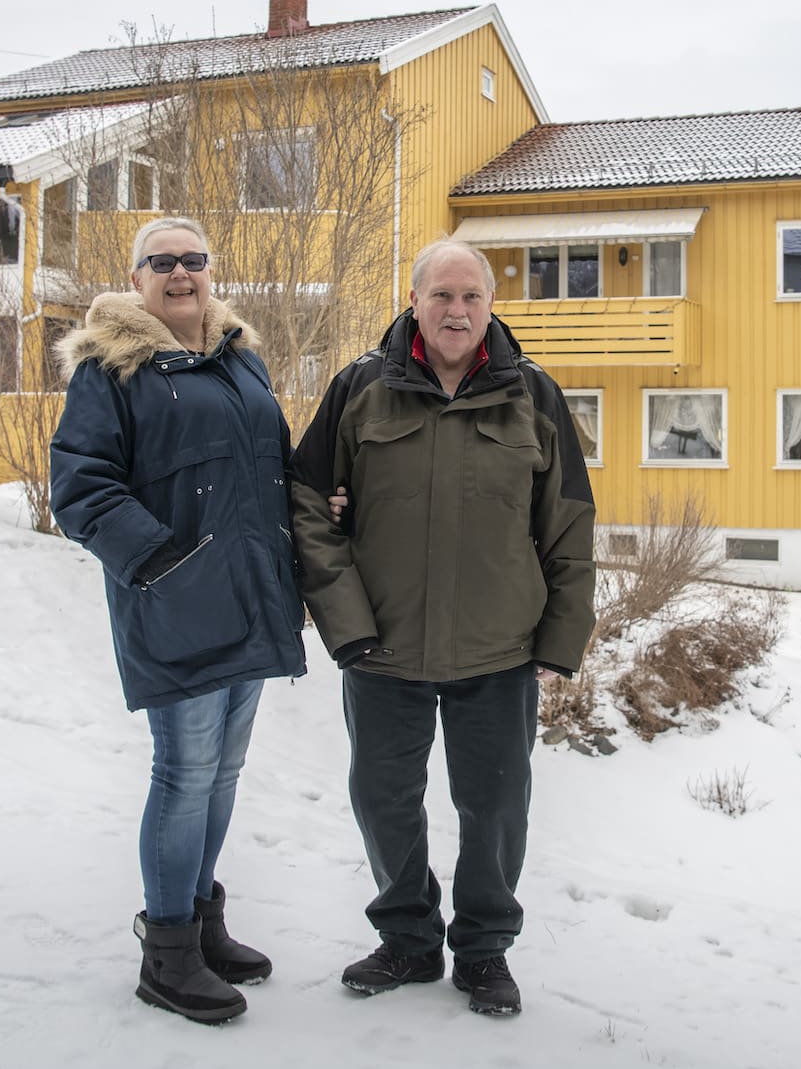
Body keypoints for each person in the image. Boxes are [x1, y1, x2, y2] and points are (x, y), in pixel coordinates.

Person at [288, 237, 597, 1017]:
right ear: (415, 299)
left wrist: (560, 642)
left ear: (490, 305)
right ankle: (409, 938)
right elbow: (305, 503)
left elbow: (568, 523)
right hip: (382, 645)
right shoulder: (360, 387)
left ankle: (485, 950)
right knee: (383, 795)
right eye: (442, 295)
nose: (457, 310)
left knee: (495, 805)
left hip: (498, 649)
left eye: (471, 297)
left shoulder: (534, 395)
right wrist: (345, 622)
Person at [50, 215, 307, 1026]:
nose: (181, 273)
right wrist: (161, 565)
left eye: (194, 260)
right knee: (185, 772)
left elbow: (271, 466)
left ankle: (198, 922)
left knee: (223, 774)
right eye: (162, 262)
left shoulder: (240, 360)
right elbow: (82, 487)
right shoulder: (110, 368)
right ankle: (166, 954)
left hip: (253, 595)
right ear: (137, 279)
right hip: (176, 601)